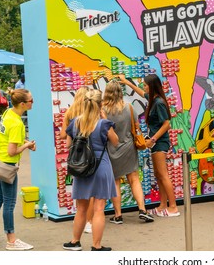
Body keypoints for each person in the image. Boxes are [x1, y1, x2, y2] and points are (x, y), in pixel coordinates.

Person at [63, 89, 119, 251]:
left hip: (81, 168)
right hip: (101, 167)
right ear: (100, 105)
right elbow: (115, 141)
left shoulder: (75, 122)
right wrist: (104, 118)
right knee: (99, 208)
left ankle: (75, 241)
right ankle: (96, 245)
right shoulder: (103, 124)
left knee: (81, 208)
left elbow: (67, 145)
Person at [118, 74, 180, 217]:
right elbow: (142, 93)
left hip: (160, 142)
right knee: (158, 175)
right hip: (155, 143)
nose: (144, 87)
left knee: (163, 174)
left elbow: (166, 124)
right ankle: (163, 205)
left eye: (145, 85)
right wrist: (127, 82)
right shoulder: (153, 99)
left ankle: (173, 207)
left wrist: (153, 139)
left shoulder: (158, 103)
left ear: (151, 86)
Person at [102, 79, 154, 223]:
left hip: (111, 149)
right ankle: (142, 209)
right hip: (129, 147)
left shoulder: (103, 110)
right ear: (120, 92)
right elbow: (136, 127)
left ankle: (118, 215)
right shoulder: (129, 107)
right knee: (134, 179)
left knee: (116, 181)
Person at [0, 88, 36, 250]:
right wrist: (27, 145)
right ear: (23, 104)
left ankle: (11, 239)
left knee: (0, 200)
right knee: (9, 203)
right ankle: (11, 240)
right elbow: (12, 151)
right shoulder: (17, 123)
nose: (32, 102)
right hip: (7, 165)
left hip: (0, 161)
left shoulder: (8, 113)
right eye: (31, 101)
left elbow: (9, 139)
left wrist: (25, 141)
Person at [60, 86, 94, 234]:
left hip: (75, 155)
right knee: (92, 191)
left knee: (79, 188)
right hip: (90, 154)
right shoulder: (91, 113)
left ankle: (79, 218)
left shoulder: (69, 112)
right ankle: (89, 221)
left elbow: (62, 135)